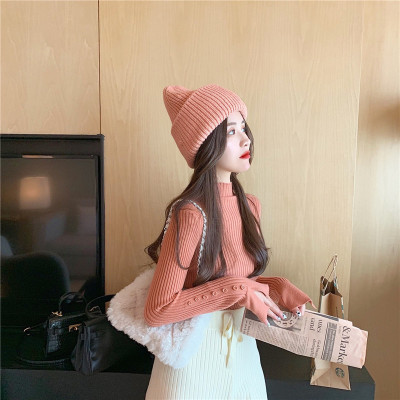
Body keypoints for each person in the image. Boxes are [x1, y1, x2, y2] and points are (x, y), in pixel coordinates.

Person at [143, 84, 315, 399]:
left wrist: (276, 288)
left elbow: (237, 281)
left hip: (244, 360)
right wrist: (238, 290)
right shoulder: (190, 213)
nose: (246, 139)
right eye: (231, 131)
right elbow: (158, 310)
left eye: (243, 127)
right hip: (191, 368)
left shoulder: (250, 206)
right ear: (205, 145)